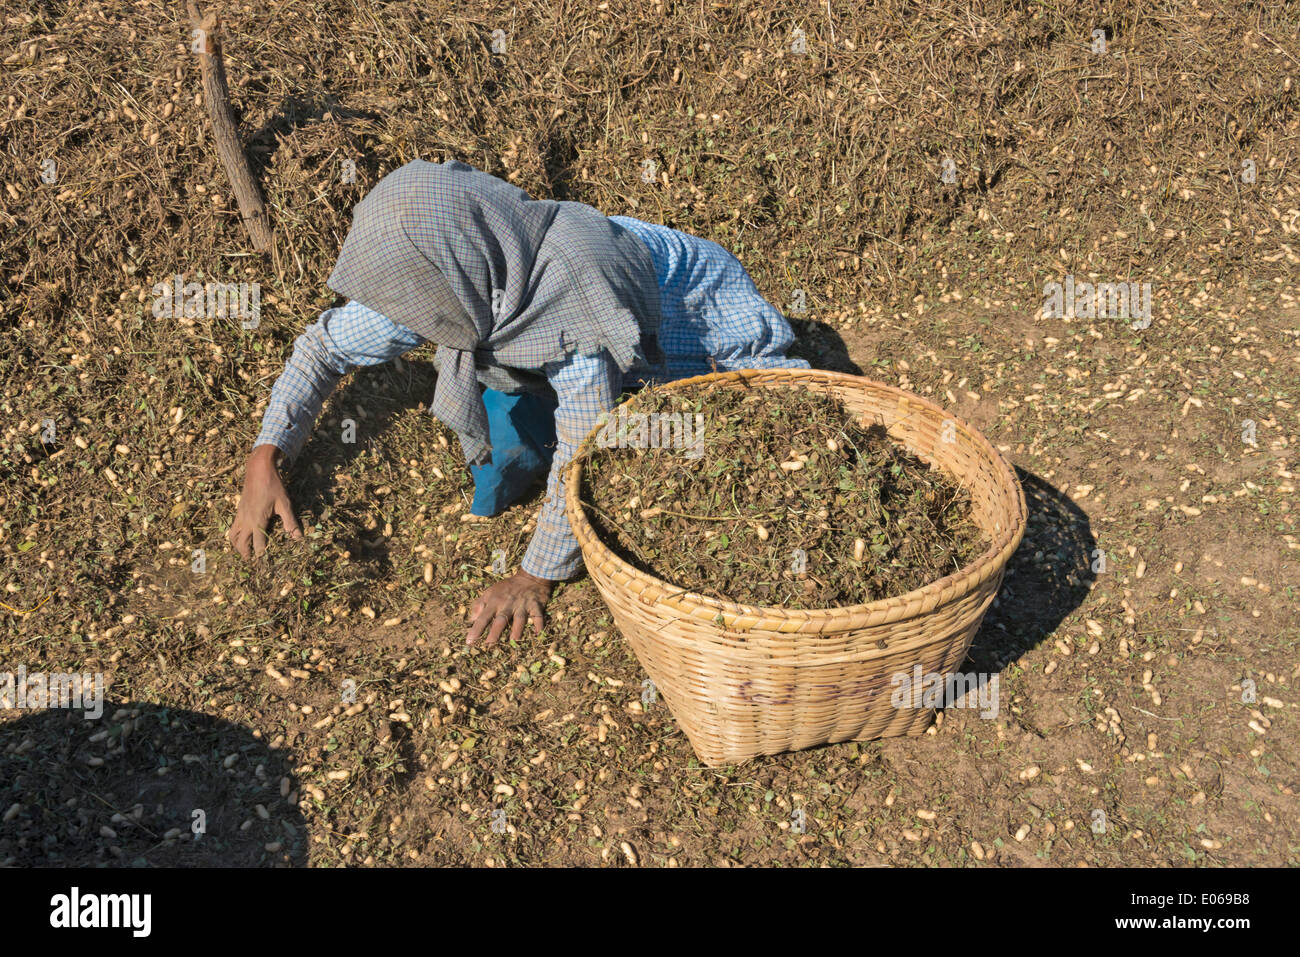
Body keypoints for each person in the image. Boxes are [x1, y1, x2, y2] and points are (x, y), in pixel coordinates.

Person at [226, 158, 807, 645]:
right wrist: (266, 455)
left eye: (416, 302)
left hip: (691, 328)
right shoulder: (456, 267)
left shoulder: (577, 296)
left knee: (736, 422)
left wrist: (535, 575)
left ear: (455, 274)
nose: (408, 315)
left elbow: (583, 441)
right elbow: (323, 348)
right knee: (498, 475)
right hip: (548, 344)